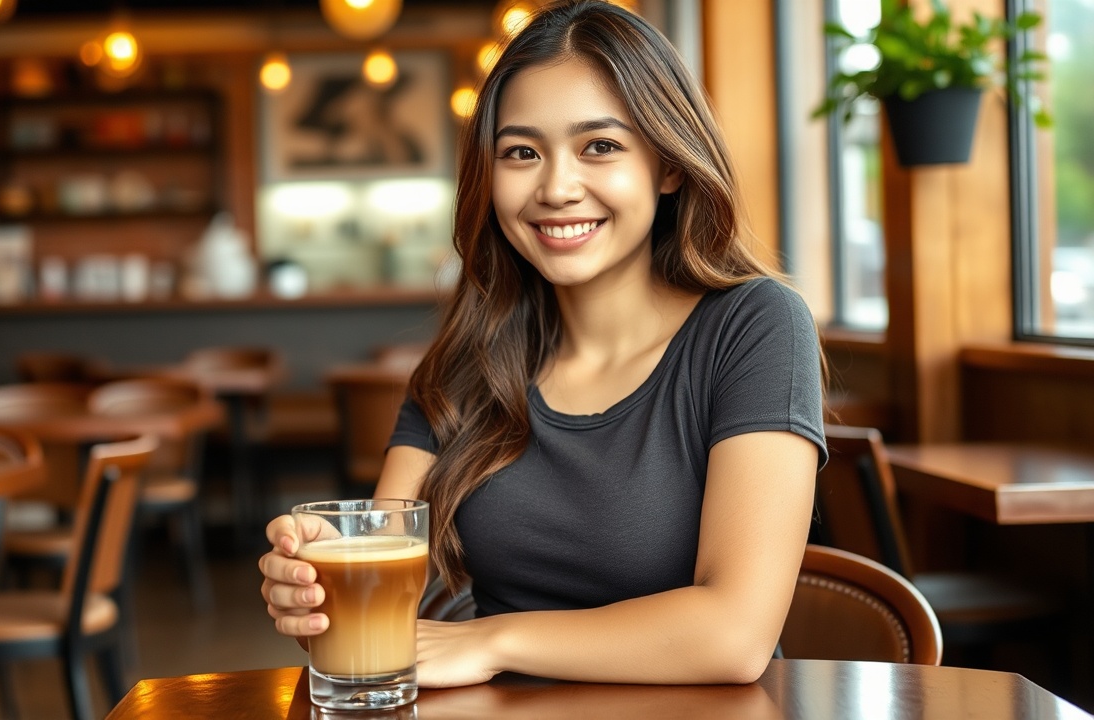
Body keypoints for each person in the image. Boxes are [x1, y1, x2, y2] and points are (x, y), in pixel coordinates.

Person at [260, 0, 826, 688]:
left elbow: (734, 636)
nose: (556, 188)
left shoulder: (754, 325)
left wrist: (493, 641)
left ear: (669, 166)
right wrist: (321, 582)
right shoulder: (467, 362)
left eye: (600, 146)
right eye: (521, 153)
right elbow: (381, 596)